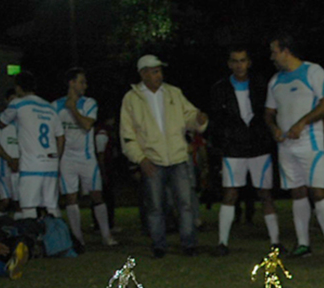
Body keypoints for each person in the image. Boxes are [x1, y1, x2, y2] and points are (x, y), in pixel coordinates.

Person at [120, 54, 209, 258]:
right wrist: (140, 159)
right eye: (154, 71)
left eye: (159, 70)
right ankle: (159, 245)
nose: (159, 75)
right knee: (155, 206)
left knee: (185, 204)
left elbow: (189, 116)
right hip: (152, 160)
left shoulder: (173, 93)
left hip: (178, 157)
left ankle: (188, 243)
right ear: (143, 74)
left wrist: (198, 120)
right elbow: (127, 134)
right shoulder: (132, 99)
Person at [265, 33, 324, 259]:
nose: (271, 57)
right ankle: (303, 243)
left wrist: (303, 122)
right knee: (297, 192)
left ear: (286, 51)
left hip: (311, 142)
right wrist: (274, 128)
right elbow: (268, 114)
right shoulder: (275, 81)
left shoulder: (313, 72)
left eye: (274, 51)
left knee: (317, 191)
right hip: (286, 146)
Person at [209, 47, 280, 256]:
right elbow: (216, 120)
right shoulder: (220, 88)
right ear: (229, 64)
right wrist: (222, 141)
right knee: (230, 193)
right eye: (235, 61)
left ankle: (275, 242)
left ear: (249, 62)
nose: (239, 65)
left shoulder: (261, 84)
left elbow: (270, 113)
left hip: (259, 146)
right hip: (234, 148)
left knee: (265, 194)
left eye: (243, 60)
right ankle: (222, 242)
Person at [55, 68, 118, 247]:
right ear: (71, 83)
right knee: (71, 197)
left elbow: (87, 125)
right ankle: (78, 238)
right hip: (67, 158)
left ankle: (106, 235)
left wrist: (73, 109)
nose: (85, 85)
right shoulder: (55, 106)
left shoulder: (89, 103)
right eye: (81, 82)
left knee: (97, 195)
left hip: (87, 157)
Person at [0, 72, 65, 222]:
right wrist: (57, 157)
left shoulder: (18, 103)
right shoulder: (49, 107)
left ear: (18, 88)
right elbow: (61, 136)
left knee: (28, 206)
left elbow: (1, 123)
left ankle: (30, 241)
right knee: (51, 205)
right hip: (51, 163)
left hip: (31, 163)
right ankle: (56, 240)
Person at [0, 89, 21, 219]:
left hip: (21, 166)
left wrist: (19, 160)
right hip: (3, 167)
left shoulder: (23, 120)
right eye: (11, 99)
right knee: (5, 201)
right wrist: (9, 159)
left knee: (20, 202)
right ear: (6, 101)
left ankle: (20, 230)